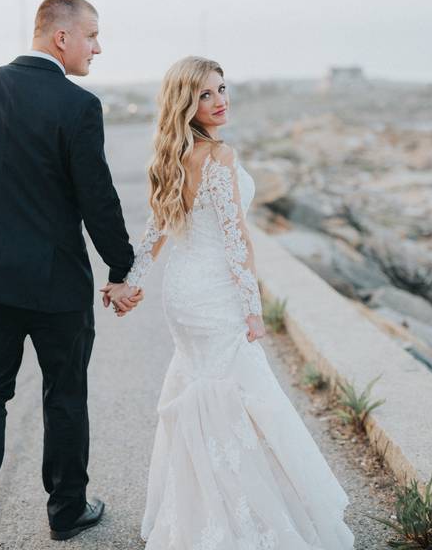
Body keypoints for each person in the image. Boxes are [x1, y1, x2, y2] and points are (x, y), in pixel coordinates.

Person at [122, 56, 355, 549]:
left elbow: (155, 232)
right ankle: (241, 519)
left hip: (183, 296)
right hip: (215, 298)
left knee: (208, 395)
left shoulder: (171, 155)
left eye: (222, 89)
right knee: (244, 399)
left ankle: (202, 510)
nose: (220, 100)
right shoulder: (219, 156)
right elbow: (236, 240)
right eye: (206, 94)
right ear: (186, 102)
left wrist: (129, 282)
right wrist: (253, 307)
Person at [0, 0, 143, 550]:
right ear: (61, 38)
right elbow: (96, 198)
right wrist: (122, 266)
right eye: (92, 36)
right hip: (56, 285)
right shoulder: (78, 105)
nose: (97, 47)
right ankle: (66, 510)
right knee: (64, 393)